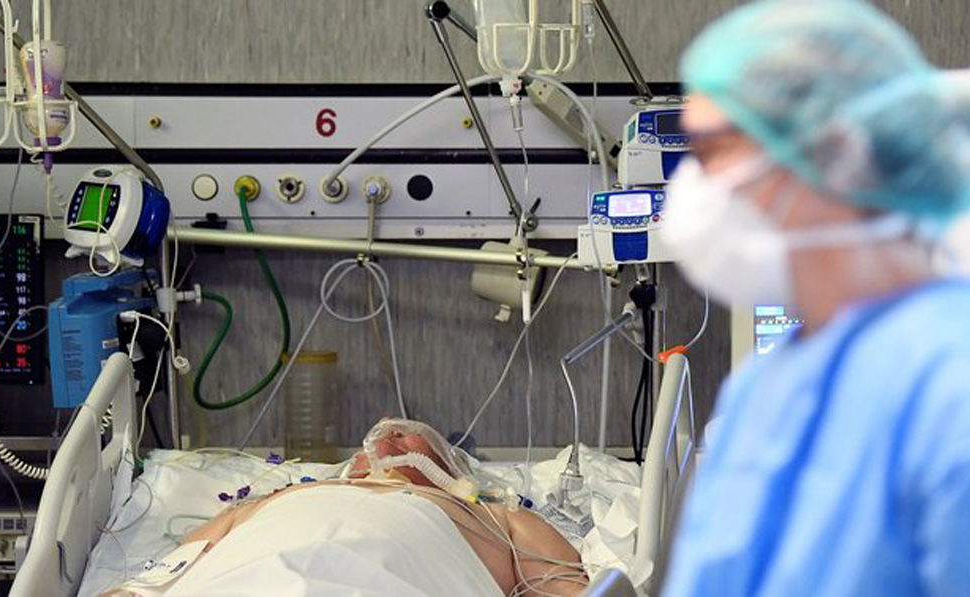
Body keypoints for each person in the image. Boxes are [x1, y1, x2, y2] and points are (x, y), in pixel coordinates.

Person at [658, 1, 970, 595]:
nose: (694, 186)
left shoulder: (951, 386)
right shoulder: (764, 387)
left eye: (713, 152)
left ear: (836, 152)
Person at [103, 419, 586, 596]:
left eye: (404, 433)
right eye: (375, 436)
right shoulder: (288, 496)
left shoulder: (489, 515)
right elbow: (175, 566)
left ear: (446, 464)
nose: (384, 435)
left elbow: (562, 585)